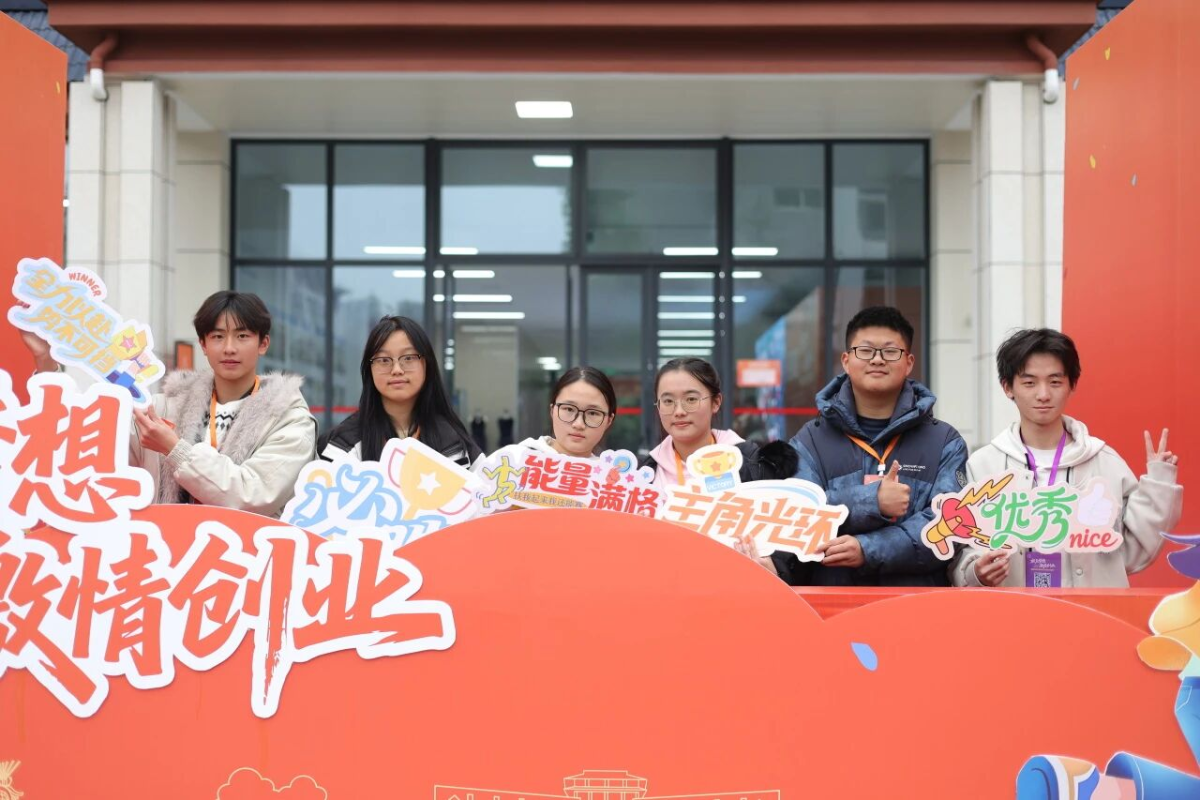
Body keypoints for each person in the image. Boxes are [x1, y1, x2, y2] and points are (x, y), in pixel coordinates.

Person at [24, 290, 318, 518]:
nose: (229, 348)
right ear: (203, 344)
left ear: (263, 344)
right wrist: (46, 362)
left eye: (242, 336)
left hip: (242, 564)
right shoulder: (164, 409)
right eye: (218, 336)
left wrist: (174, 449)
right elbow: (84, 445)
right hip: (166, 563)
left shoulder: (288, 418)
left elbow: (250, 494)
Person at [951, 328, 1181, 588]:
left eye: (1055, 382)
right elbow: (961, 548)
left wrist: (1158, 485)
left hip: (1089, 611)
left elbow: (1133, 552)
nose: (1043, 394)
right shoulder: (984, 465)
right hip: (1014, 611)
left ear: (1072, 384)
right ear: (1008, 387)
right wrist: (976, 573)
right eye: (1029, 383)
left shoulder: (1103, 461)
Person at [775, 306, 968, 587]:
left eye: (890, 351)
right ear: (846, 360)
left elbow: (948, 526)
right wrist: (870, 501)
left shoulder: (944, 442)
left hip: (917, 605)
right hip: (834, 605)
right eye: (865, 350)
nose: (877, 359)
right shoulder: (810, 441)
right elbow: (797, 516)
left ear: (909, 363)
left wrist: (867, 549)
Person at [320, 315, 481, 468]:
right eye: (384, 360)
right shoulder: (344, 442)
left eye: (408, 358)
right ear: (370, 370)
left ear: (427, 364)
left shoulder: (453, 441)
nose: (396, 370)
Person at [642, 357, 797, 487]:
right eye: (668, 401)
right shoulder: (645, 474)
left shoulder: (751, 464)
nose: (679, 411)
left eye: (691, 399)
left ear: (716, 402)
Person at [511, 366, 616, 460]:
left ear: (609, 421)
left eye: (592, 413)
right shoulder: (515, 460)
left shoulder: (611, 473)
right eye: (569, 409)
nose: (578, 424)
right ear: (552, 411)